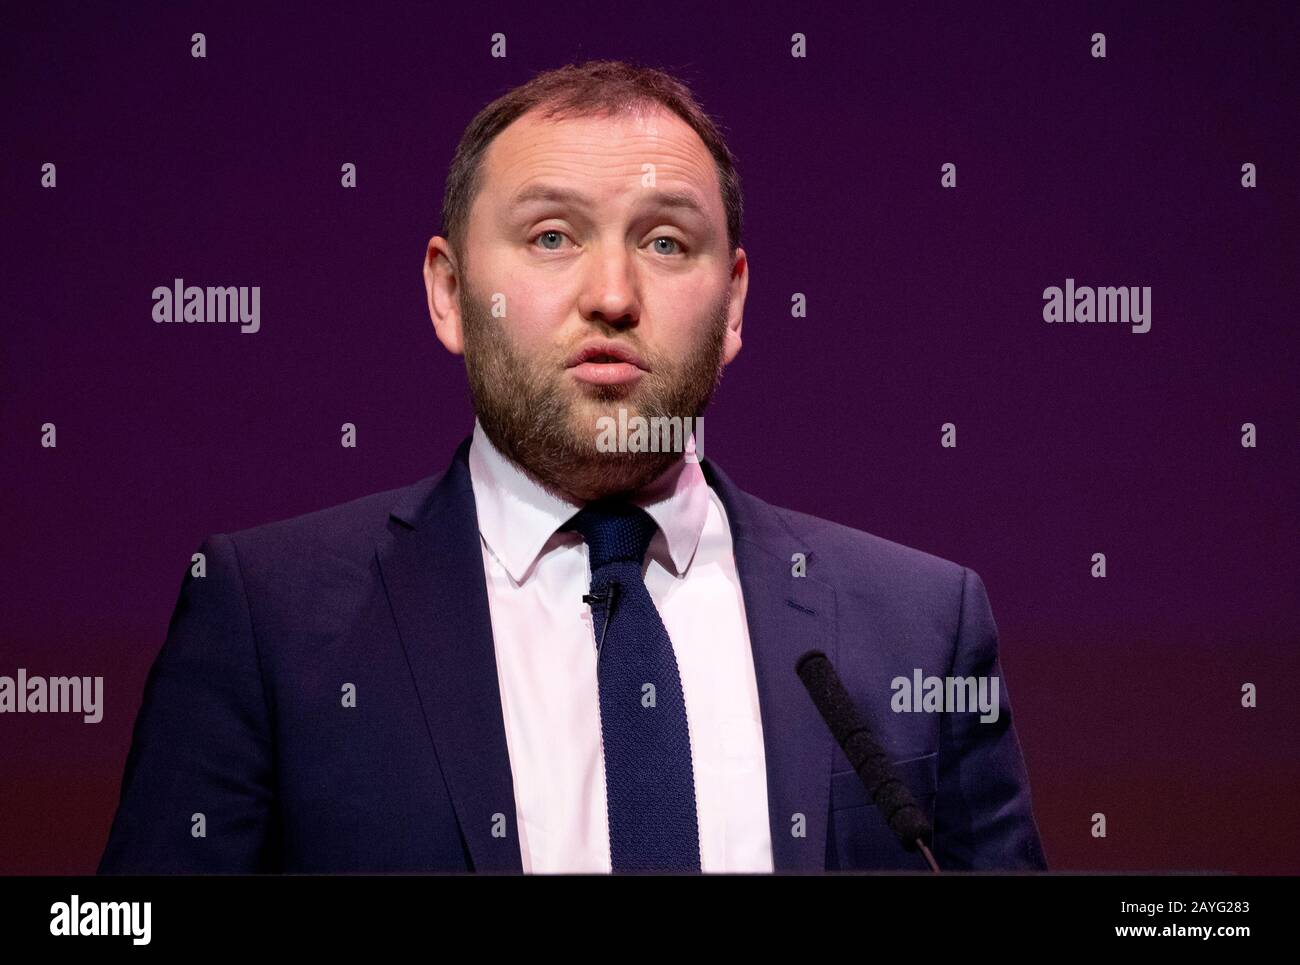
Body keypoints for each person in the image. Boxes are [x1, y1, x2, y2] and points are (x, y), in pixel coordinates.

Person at [98, 59, 1047, 874]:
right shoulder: (267, 620)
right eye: (551, 237)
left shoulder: (920, 625)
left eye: (667, 242)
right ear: (449, 293)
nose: (612, 294)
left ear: (736, 303)